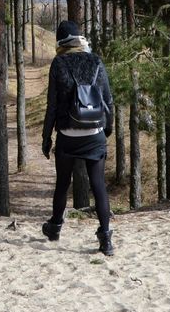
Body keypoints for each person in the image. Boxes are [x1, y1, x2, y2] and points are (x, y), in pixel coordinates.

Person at [41, 20, 115, 256]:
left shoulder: (58, 62)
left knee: (62, 183)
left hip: (67, 133)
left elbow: (52, 105)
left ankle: (54, 228)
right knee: (99, 186)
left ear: (61, 42)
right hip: (94, 133)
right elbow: (107, 99)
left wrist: (47, 137)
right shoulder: (95, 61)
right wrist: (107, 127)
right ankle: (106, 239)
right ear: (80, 39)